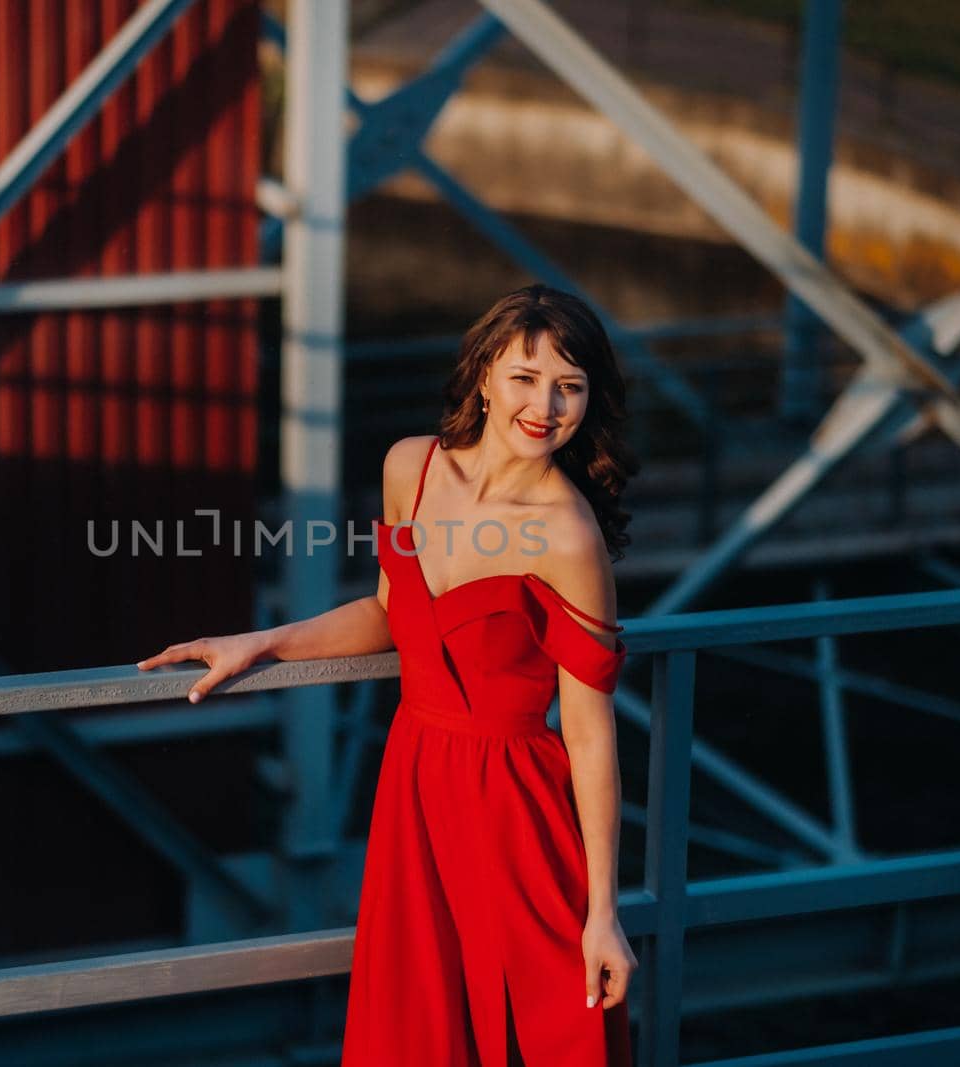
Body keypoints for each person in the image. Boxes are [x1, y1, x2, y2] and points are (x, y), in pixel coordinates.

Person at [138, 283, 640, 1066]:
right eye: (526, 377)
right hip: (416, 786)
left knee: (529, 1036)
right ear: (483, 376)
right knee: (417, 1029)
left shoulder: (568, 535)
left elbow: (587, 727)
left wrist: (603, 910)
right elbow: (388, 612)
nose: (546, 404)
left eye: (569, 386)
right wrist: (263, 642)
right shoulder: (412, 466)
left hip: (514, 811)